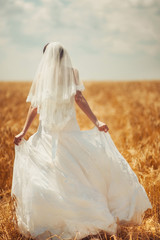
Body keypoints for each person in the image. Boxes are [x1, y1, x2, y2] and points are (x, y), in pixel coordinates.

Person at [11, 41, 152, 240]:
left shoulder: (46, 76)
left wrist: (23, 132)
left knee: (51, 174)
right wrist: (96, 121)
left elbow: (37, 107)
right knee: (72, 171)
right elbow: (77, 99)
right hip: (55, 131)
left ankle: (58, 218)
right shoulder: (71, 72)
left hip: (56, 130)